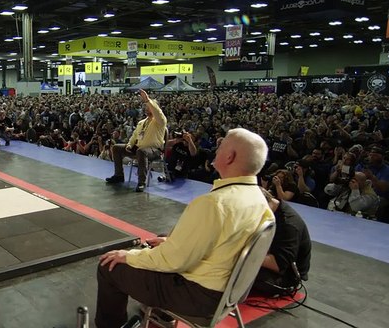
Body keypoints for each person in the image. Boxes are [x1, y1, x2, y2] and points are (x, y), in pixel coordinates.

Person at [96, 128, 274, 328]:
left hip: (197, 296)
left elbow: (171, 261)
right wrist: (171, 242)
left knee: (109, 266)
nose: (216, 148)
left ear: (230, 156)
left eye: (221, 145)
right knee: (164, 239)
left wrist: (127, 256)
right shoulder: (261, 201)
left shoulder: (215, 204)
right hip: (229, 293)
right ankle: (163, 316)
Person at [105, 89, 167, 192]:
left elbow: (158, 112)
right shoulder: (141, 122)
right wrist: (130, 144)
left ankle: (141, 182)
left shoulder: (160, 121)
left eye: (149, 107)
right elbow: (134, 136)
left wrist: (148, 100)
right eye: (146, 107)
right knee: (116, 148)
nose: (147, 109)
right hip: (139, 148)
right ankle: (119, 175)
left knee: (141, 151)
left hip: (154, 150)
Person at [252, 189, 312, 297]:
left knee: (239, 269)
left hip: (286, 275)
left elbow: (278, 264)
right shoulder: (274, 208)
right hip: (272, 257)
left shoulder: (289, 225)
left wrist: (242, 253)